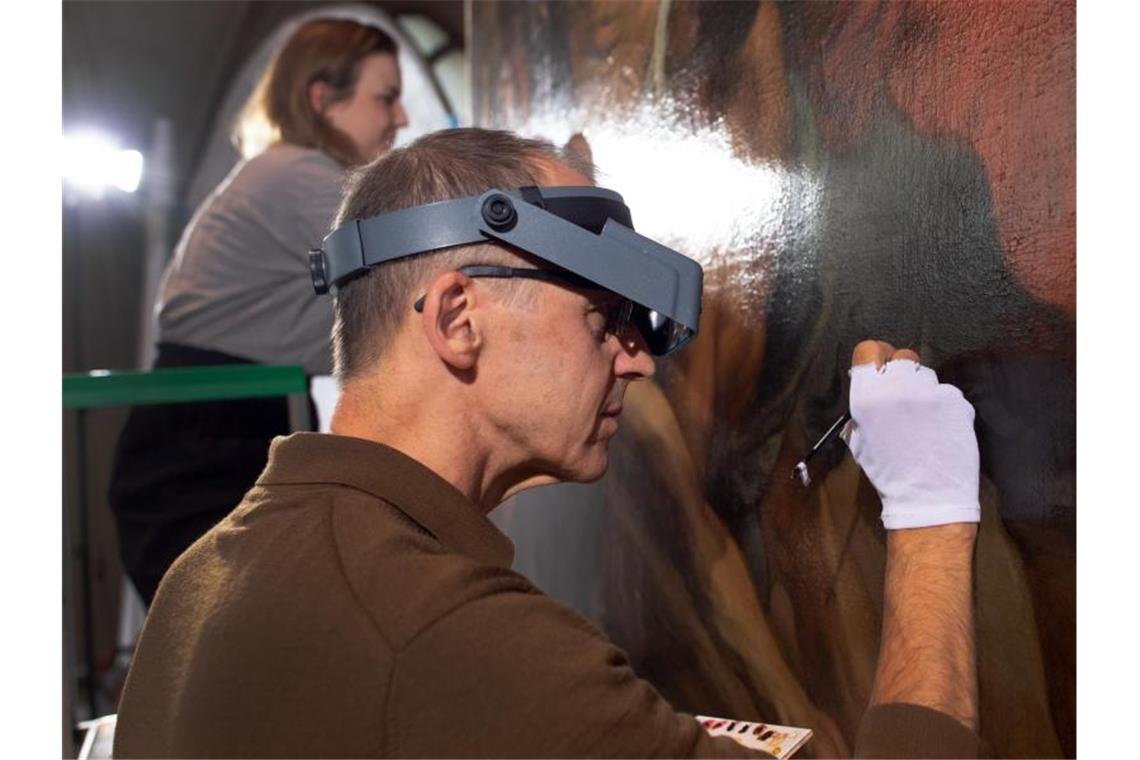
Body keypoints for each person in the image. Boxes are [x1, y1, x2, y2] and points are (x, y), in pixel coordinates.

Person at [114, 129, 983, 758]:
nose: (639, 362)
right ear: (459, 319)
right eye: (604, 319)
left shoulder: (207, 573)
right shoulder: (447, 636)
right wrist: (933, 521)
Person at [108, 17, 409, 604]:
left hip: (213, 430)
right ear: (321, 99)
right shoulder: (300, 173)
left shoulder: (287, 172)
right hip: (199, 446)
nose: (400, 118)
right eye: (386, 98)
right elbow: (418, 258)